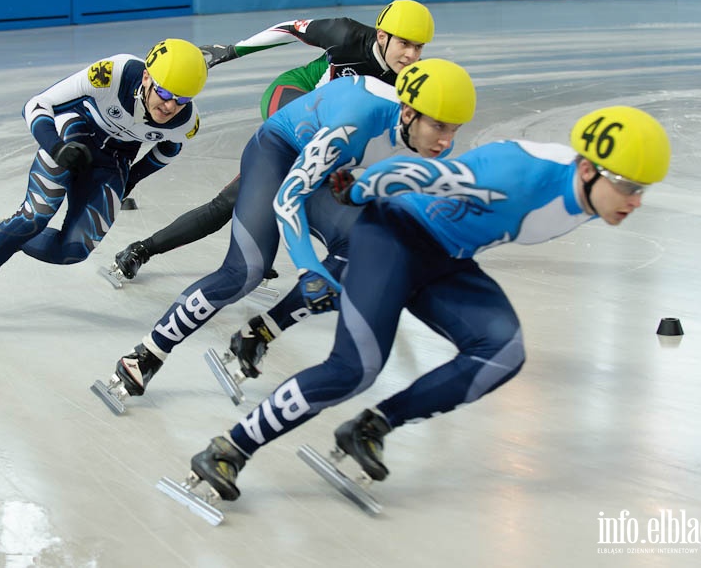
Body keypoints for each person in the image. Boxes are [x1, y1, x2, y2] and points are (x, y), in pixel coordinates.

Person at [178, 105, 672, 502]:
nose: (636, 201)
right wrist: (361, 189)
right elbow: (421, 171)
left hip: (446, 258)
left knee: (501, 349)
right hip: (392, 237)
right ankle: (228, 449)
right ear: (587, 169)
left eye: (642, 189)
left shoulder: (592, 195)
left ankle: (370, 427)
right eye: (628, 187)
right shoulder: (517, 176)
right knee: (356, 368)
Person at [96, 58, 476, 402]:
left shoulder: (421, 136)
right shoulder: (356, 122)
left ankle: (258, 333)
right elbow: (290, 196)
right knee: (245, 271)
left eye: (455, 129)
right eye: (440, 127)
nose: (447, 142)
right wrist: (308, 265)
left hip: (325, 162)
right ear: (408, 113)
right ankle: (145, 355)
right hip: (277, 151)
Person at [108, 0, 435, 283]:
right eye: (404, 44)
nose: (410, 55)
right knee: (307, 176)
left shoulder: (413, 81)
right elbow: (290, 29)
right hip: (292, 95)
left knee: (230, 202)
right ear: (381, 36)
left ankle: (143, 249)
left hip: (327, 126)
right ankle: (247, 244)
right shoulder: (347, 34)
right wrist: (233, 50)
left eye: (418, 47)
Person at [0, 39, 208, 346]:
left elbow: (168, 150)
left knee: (73, 250)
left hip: (113, 164)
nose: (170, 106)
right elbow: (35, 104)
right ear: (147, 77)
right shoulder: (113, 74)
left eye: (182, 99)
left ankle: (10, 238)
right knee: (36, 216)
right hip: (73, 137)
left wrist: (130, 181)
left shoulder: (186, 121)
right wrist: (56, 147)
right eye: (164, 93)